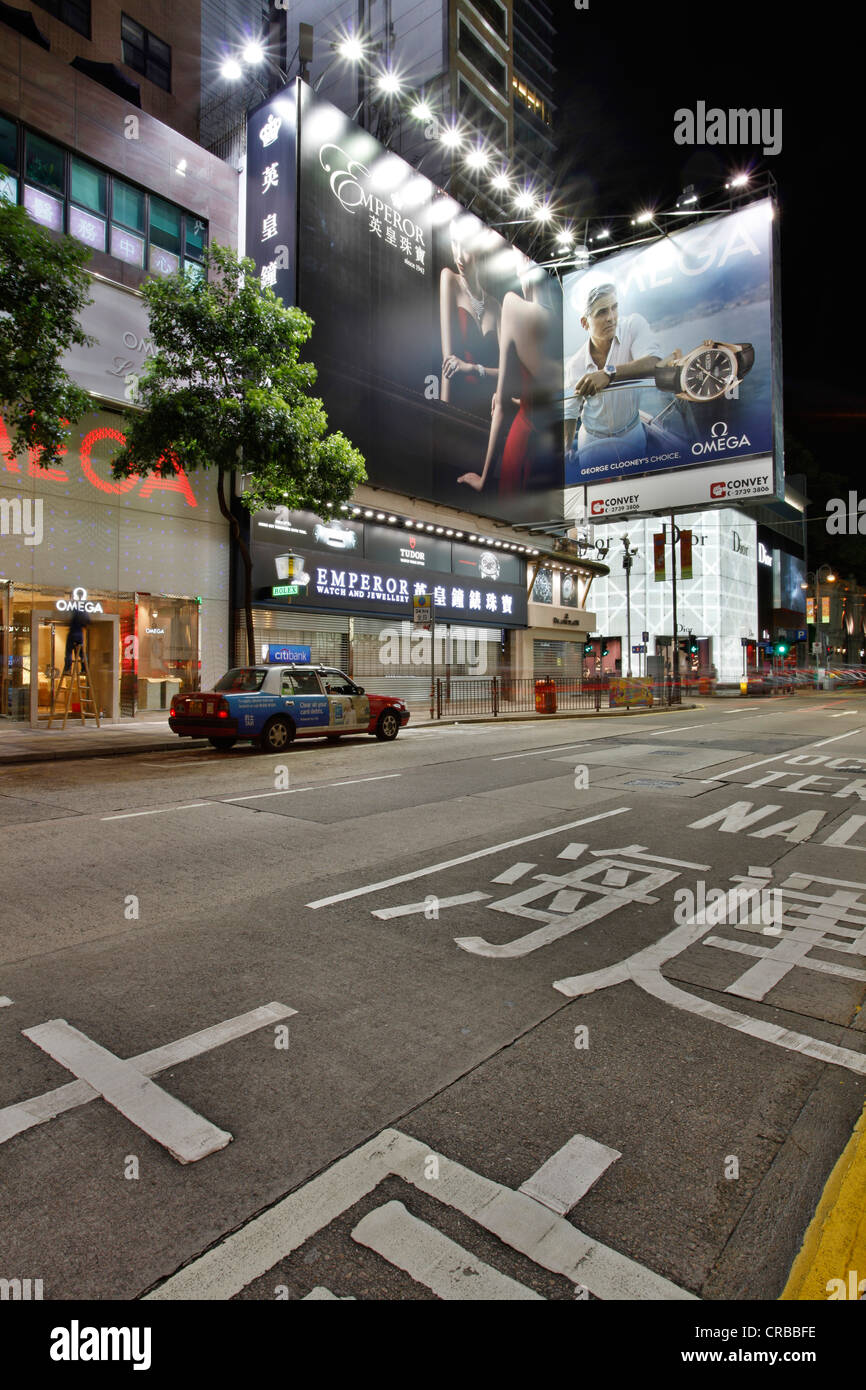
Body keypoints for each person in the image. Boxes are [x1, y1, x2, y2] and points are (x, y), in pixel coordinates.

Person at [457, 250, 559, 496]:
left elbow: (501, 405)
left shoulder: (512, 305)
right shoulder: (561, 322)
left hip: (523, 442)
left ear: (524, 261)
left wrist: (484, 478)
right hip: (553, 456)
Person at [564, 281, 665, 476]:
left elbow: (654, 363)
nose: (611, 318)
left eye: (614, 308)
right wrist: (567, 447)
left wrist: (608, 373)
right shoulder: (575, 365)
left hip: (632, 432)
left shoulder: (633, 325)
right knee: (596, 497)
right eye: (602, 312)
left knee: (637, 488)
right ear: (585, 323)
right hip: (592, 441)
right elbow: (570, 411)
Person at [439, 226, 501, 417]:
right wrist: (444, 415)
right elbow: (448, 363)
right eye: (454, 243)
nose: (458, 255)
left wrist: (473, 369)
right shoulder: (449, 279)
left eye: (465, 247)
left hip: (488, 411)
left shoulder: (496, 306)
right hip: (458, 404)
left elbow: (508, 374)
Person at [63, 608, 90, 673]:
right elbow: (88, 623)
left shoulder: (74, 612)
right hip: (80, 635)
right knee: (82, 653)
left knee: (68, 652)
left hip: (72, 634)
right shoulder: (84, 614)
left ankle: (68, 669)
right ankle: (84, 669)